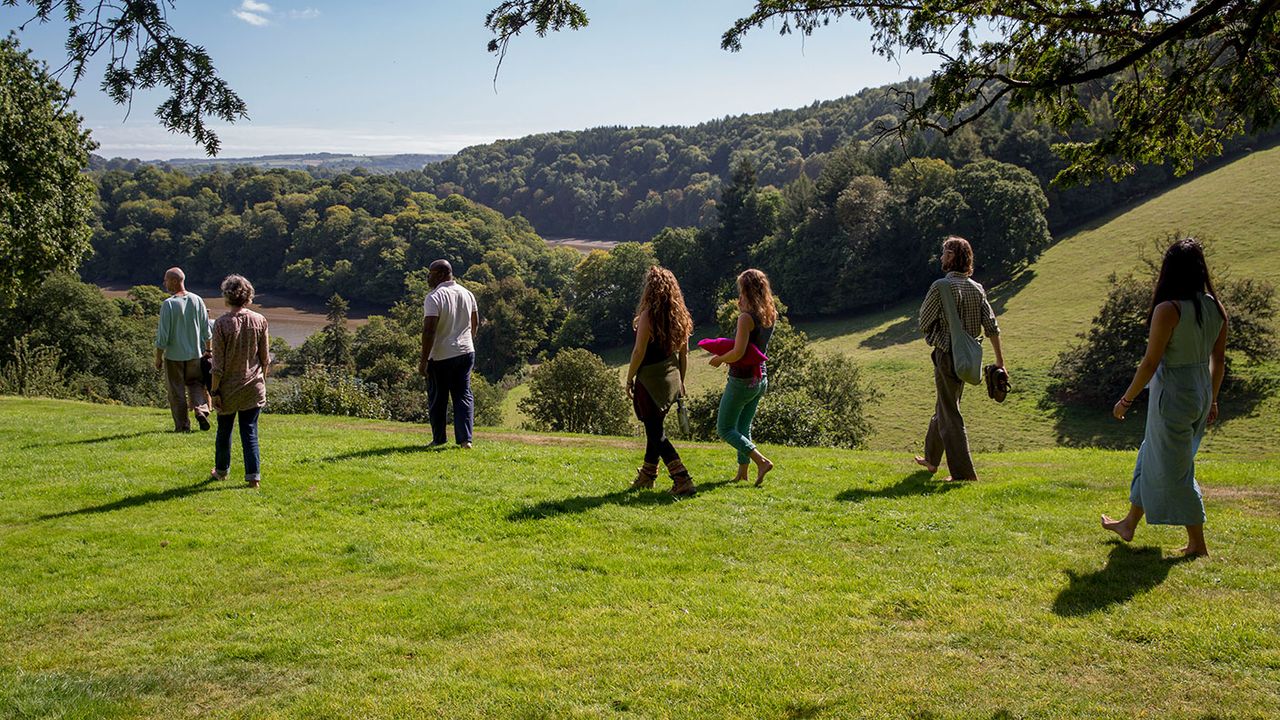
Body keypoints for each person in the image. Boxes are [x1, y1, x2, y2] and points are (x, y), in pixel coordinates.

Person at [1103, 238, 1228, 557]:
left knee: (1177, 469)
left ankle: (1198, 545)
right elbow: (1219, 361)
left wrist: (1126, 400)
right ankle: (1129, 523)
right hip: (1199, 391)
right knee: (1151, 454)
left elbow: (1150, 362)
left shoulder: (1168, 309)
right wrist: (1212, 399)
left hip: (1173, 395)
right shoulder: (1214, 307)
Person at [915, 236, 1006, 482]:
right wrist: (1000, 362)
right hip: (968, 359)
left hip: (946, 356)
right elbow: (992, 327)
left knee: (950, 413)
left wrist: (936, 333)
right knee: (944, 406)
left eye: (945, 252)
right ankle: (931, 460)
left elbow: (924, 322)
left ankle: (963, 475)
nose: (942, 256)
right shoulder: (977, 288)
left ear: (953, 256)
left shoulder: (940, 287)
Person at [626, 266, 695, 496]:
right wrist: (681, 383)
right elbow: (684, 355)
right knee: (654, 429)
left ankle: (681, 477)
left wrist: (629, 379)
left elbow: (638, 352)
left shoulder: (648, 316)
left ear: (650, 290)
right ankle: (647, 476)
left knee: (656, 433)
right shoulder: (680, 316)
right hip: (671, 380)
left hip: (650, 381)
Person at [708, 268, 776, 487]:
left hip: (742, 380)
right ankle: (743, 473)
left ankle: (761, 461)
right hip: (761, 377)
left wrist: (719, 359)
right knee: (743, 426)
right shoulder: (769, 313)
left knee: (725, 428)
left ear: (746, 290)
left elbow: (738, 352)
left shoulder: (745, 318)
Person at [209, 275, 270, 488]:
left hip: (227, 388)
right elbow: (265, 359)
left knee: (224, 431)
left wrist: (214, 392)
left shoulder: (221, 324)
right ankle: (254, 477)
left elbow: (217, 365)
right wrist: (262, 381)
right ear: (248, 296)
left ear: (227, 296)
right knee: (250, 431)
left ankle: (222, 471)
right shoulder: (260, 320)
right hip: (253, 386)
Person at [418, 259, 480, 448]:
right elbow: (475, 322)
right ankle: (465, 440)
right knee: (463, 395)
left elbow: (429, 331)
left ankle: (439, 439)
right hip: (466, 352)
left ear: (440, 274)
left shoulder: (434, 297)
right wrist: (467, 341)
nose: (428, 277)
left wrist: (423, 361)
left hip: (441, 355)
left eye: (430, 273)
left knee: (438, 398)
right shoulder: (467, 293)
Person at [154, 267, 213, 432]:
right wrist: (208, 351)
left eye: (166, 280)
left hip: (174, 356)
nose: (164, 283)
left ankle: (182, 426)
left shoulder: (169, 304)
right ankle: (201, 410)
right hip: (195, 354)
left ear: (174, 281)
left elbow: (163, 336)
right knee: (195, 384)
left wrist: (158, 357)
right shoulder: (197, 300)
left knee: (176, 391)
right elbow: (206, 329)